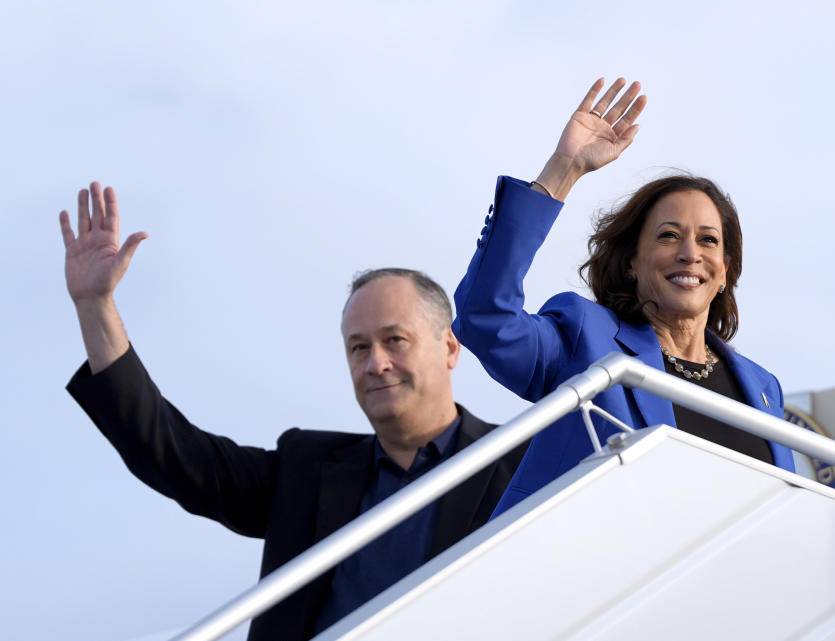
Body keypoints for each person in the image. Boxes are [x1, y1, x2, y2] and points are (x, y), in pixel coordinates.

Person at [58, 183, 527, 640]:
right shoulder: (307, 468)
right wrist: (95, 307)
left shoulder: (519, 462)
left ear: (449, 346)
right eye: (357, 347)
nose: (375, 363)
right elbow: (174, 454)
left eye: (394, 340)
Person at [453, 78, 796, 517]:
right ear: (633, 261)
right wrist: (564, 170)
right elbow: (485, 318)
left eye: (708, 241)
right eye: (669, 236)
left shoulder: (763, 388)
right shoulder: (586, 339)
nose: (690, 254)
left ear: (725, 270)